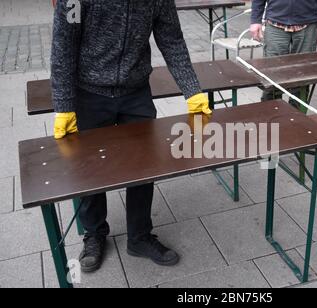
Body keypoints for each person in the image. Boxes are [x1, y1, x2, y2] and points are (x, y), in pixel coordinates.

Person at [51, 0, 212, 273]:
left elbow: (171, 38)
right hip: (89, 93)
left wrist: (192, 90)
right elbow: (64, 45)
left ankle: (139, 236)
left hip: (135, 90)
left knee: (144, 164)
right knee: (89, 168)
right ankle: (94, 234)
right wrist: (64, 106)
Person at [250, 0, 317, 107]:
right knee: (272, 73)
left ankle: (297, 116)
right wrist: (255, 20)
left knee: (303, 73)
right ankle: (271, 111)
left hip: (308, 24)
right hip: (275, 23)